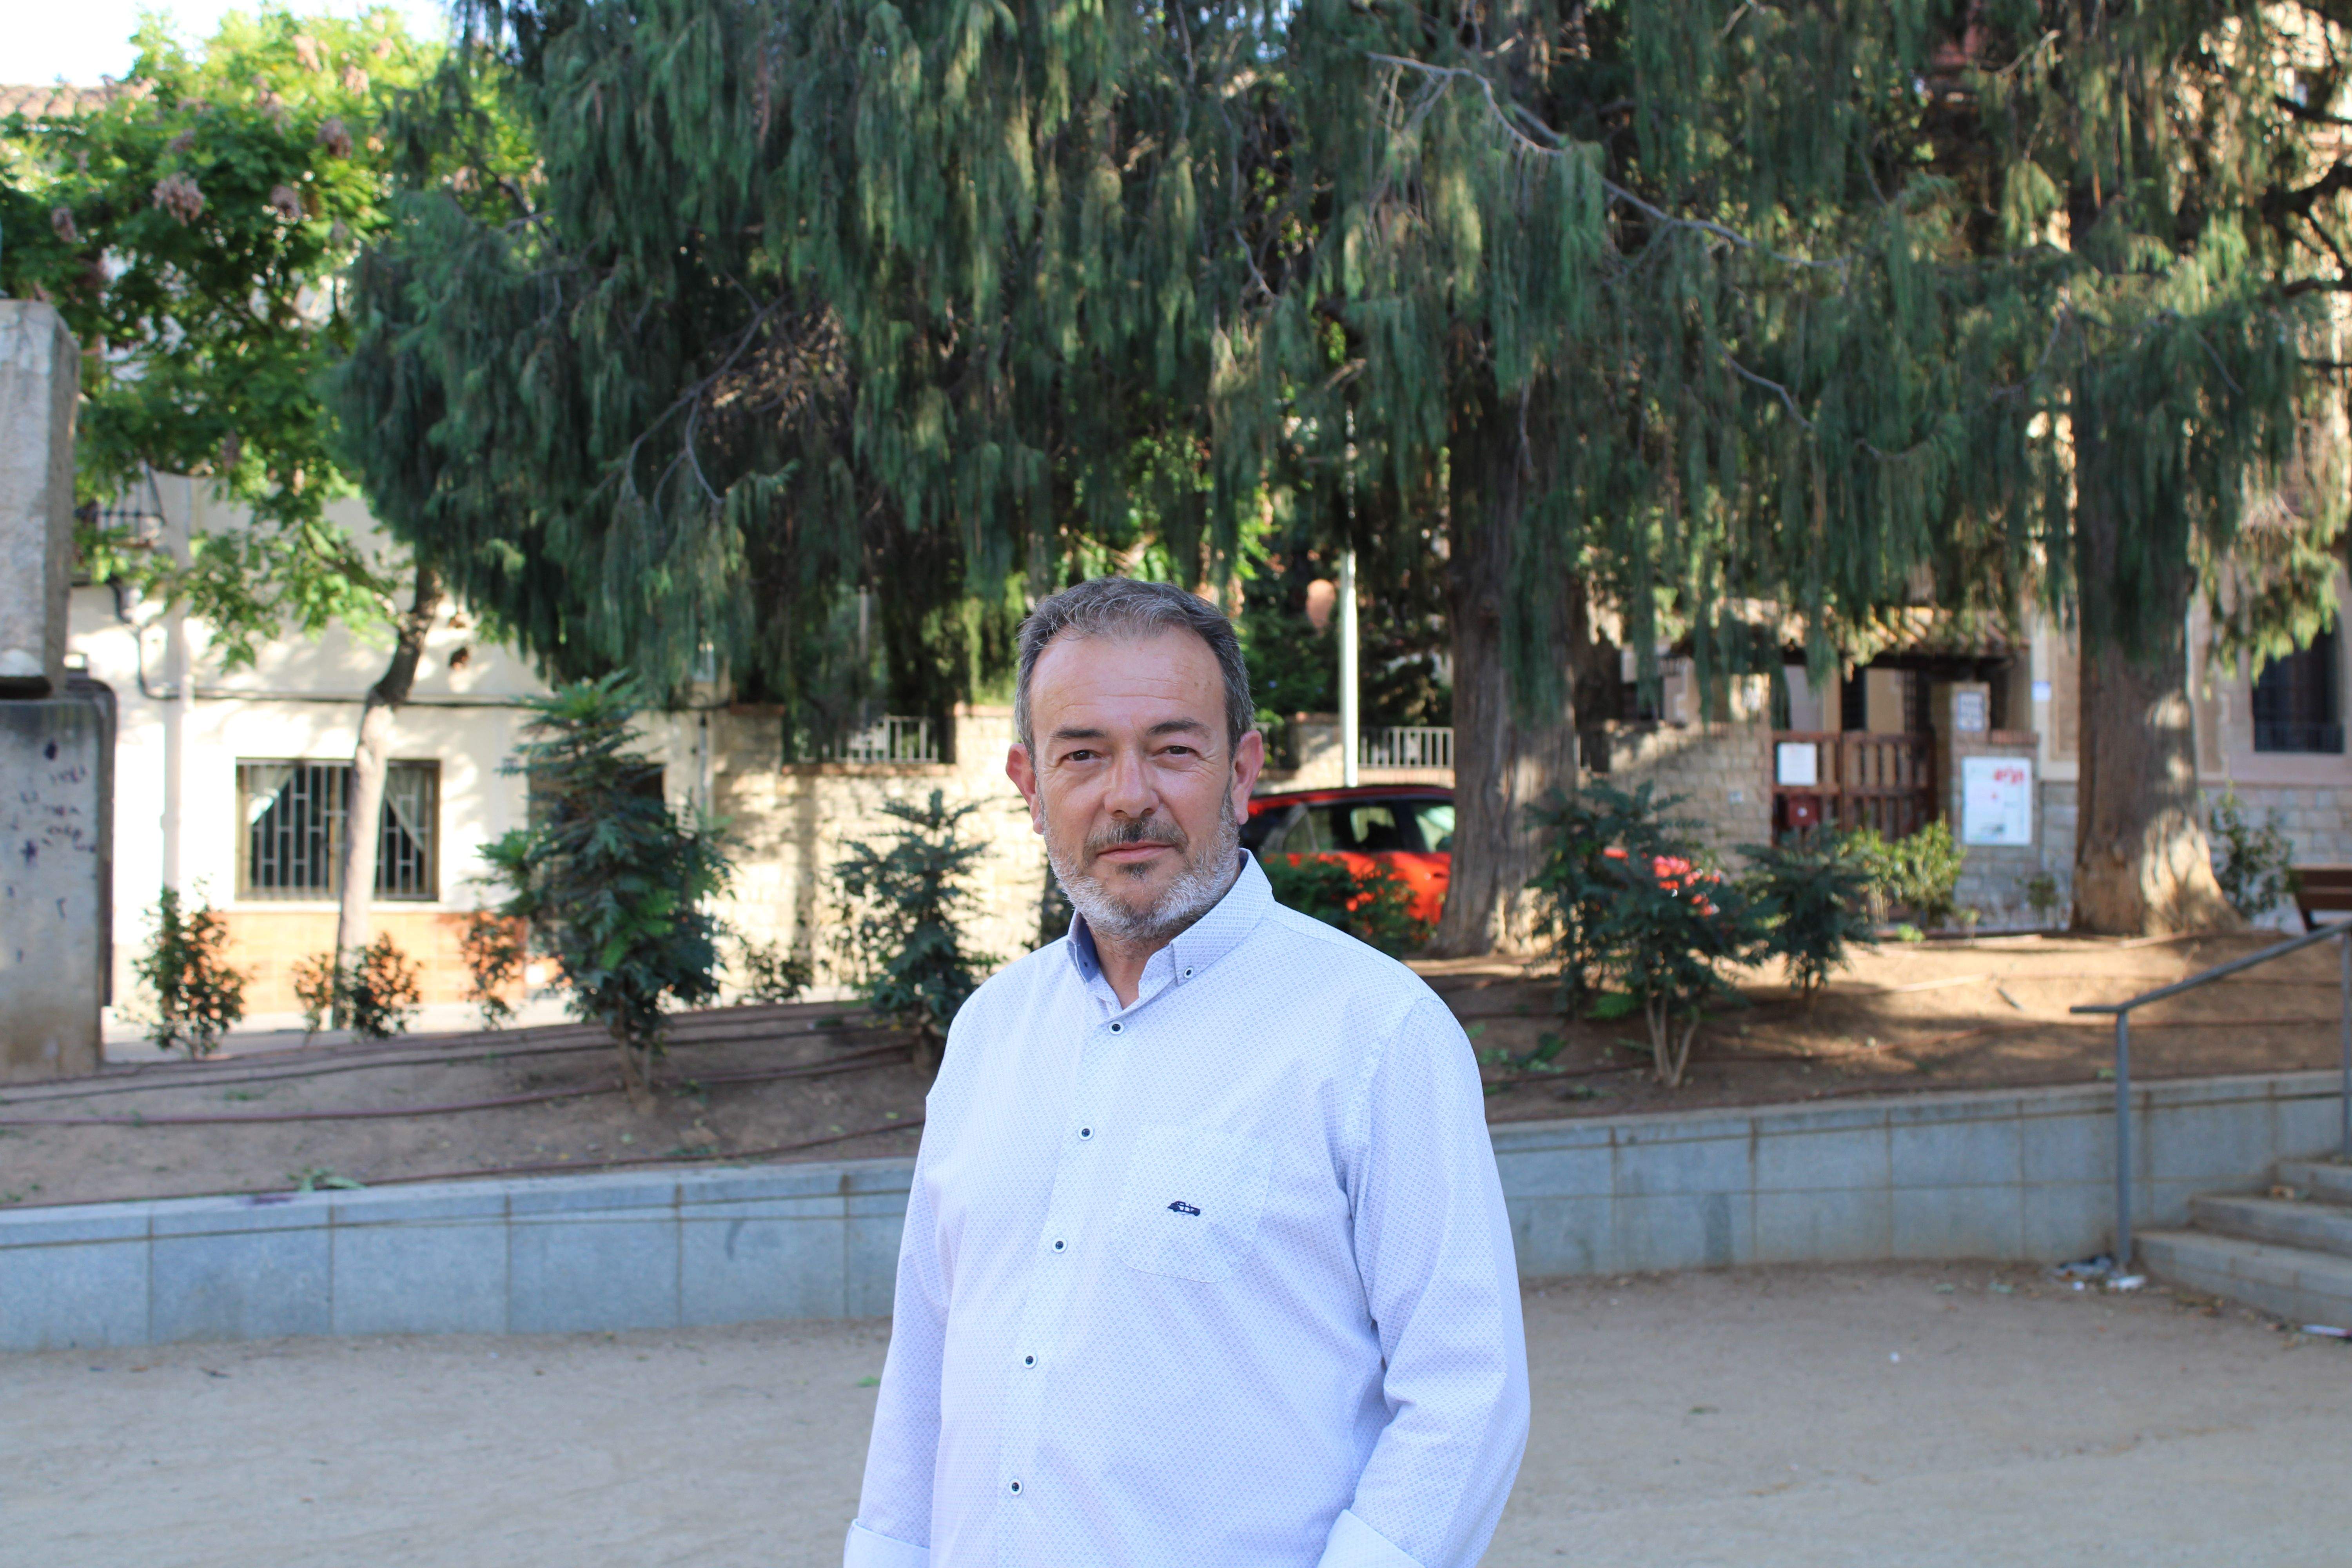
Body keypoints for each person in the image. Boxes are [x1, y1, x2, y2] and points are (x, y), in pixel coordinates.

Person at [844, 576, 1529, 1568]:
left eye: (1173, 748)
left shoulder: (1376, 1036)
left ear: (1242, 771)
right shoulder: (991, 1034)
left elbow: (1465, 1392)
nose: (1129, 795)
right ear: (1029, 786)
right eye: (1082, 754)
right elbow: (925, 1360)